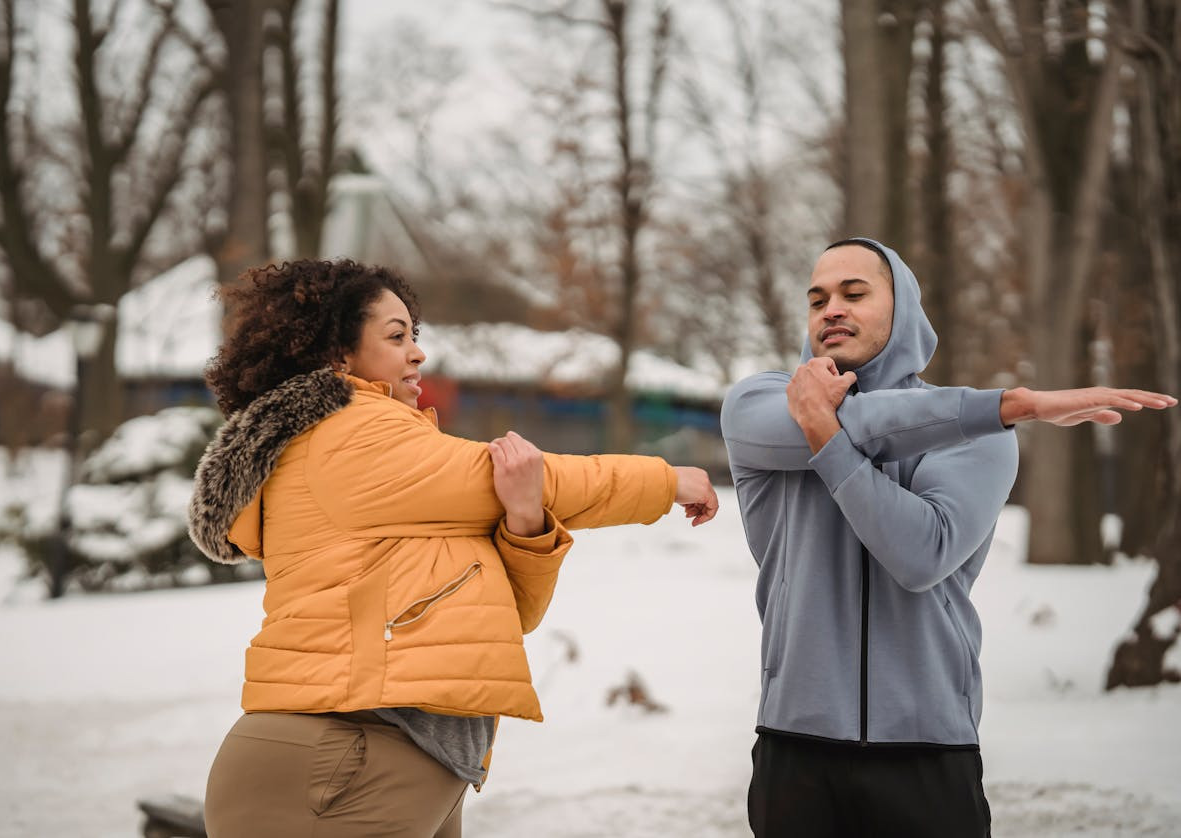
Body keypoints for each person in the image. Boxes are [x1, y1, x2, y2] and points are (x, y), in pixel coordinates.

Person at [188, 258, 719, 837]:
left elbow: (507, 616)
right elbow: (537, 474)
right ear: (337, 355)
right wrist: (666, 481)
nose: (417, 353)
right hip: (340, 755)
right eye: (396, 337)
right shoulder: (350, 434)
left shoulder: (392, 470)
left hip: (390, 754)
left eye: (416, 335)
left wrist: (525, 521)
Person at [721, 237, 1177, 838]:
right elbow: (857, 420)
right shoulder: (758, 406)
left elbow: (920, 554)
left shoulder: (979, 432)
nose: (831, 308)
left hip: (927, 749)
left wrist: (826, 440)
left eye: (855, 293)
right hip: (794, 747)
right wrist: (1012, 404)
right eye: (818, 298)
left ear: (903, 307)